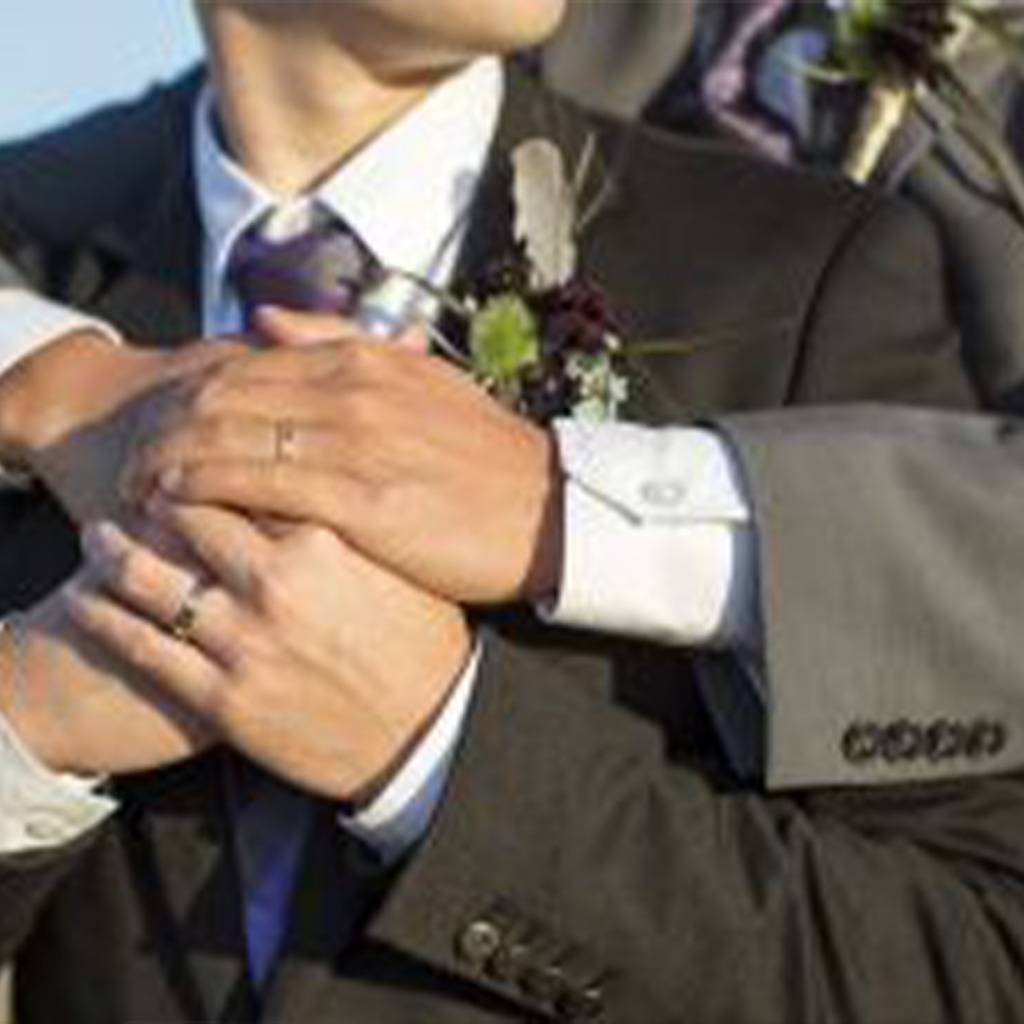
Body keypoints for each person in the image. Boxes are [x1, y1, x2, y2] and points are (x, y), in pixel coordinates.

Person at [0, 1, 1022, 1021]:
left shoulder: (802, 274)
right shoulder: (28, 255)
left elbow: (966, 968)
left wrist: (436, 751)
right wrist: (24, 727)